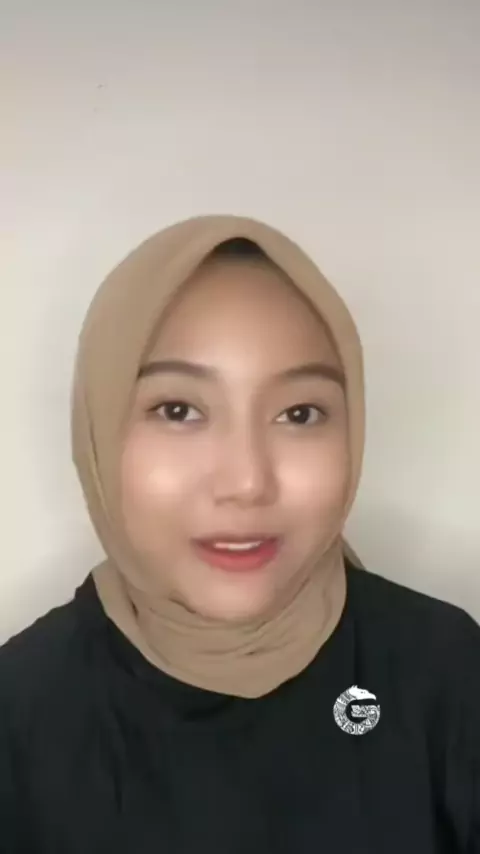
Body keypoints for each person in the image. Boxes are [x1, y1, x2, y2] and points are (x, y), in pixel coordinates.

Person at [0, 215, 478, 853]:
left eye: (299, 413)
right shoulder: (20, 713)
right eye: (178, 410)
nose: (248, 482)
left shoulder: (445, 671)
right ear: (99, 428)